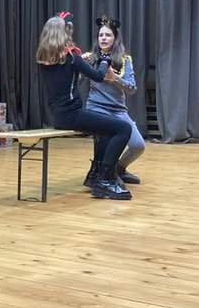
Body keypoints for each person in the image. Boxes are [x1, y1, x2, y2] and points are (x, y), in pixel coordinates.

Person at [36, 14, 133, 200]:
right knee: (123, 129)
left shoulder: (43, 59)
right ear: (63, 34)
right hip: (73, 115)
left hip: (58, 116)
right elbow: (98, 76)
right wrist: (105, 60)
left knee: (106, 131)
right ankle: (105, 180)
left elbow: (66, 80)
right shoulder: (72, 57)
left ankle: (95, 175)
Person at [83, 16, 145, 187]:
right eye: (101, 35)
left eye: (108, 35)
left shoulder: (125, 60)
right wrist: (77, 62)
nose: (103, 38)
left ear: (115, 38)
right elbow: (77, 78)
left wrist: (115, 78)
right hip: (96, 108)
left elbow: (132, 88)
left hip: (118, 110)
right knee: (107, 140)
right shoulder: (91, 58)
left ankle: (119, 168)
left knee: (138, 145)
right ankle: (103, 172)